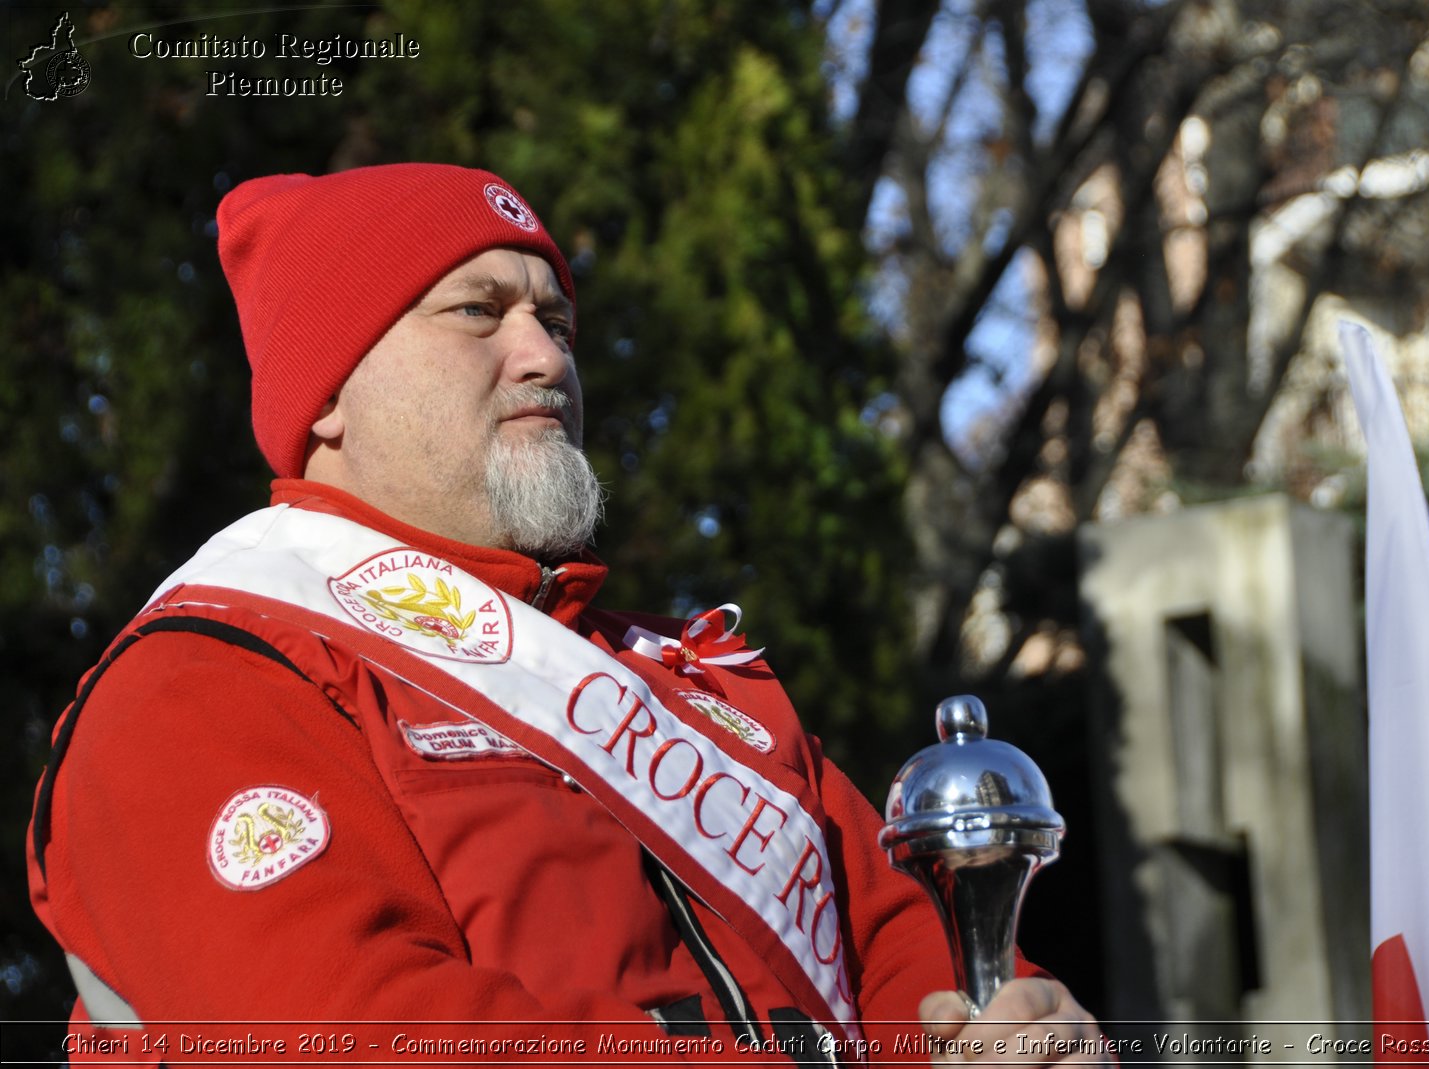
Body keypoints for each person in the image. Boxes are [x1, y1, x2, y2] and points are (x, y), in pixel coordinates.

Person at [27, 163, 1106, 1065]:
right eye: (476, 313)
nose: (544, 356)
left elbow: (902, 952)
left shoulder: (704, 686)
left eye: (552, 318)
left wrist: (1017, 1024)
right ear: (326, 394)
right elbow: (362, 1030)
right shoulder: (205, 683)